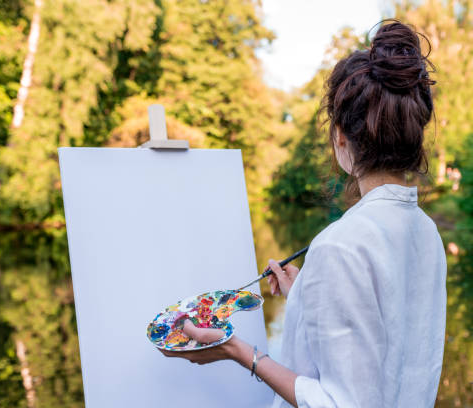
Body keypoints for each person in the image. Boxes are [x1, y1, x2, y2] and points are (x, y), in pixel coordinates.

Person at [159, 19, 447, 408]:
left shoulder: (340, 246)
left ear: (341, 138)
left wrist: (238, 351)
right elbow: (387, 347)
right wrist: (308, 300)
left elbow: (339, 402)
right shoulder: (426, 231)